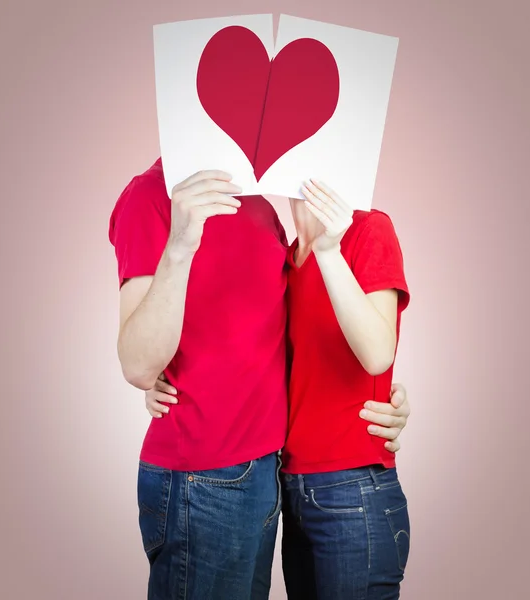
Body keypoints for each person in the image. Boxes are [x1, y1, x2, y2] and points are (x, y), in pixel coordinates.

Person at [110, 158, 410, 600]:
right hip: (233, 480)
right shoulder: (156, 197)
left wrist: (389, 397)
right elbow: (143, 359)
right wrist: (158, 371)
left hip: (302, 482)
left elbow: (361, 353)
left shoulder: (281, 214)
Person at [280, 179, 411, 599]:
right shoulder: (282, 260)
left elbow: (377, 354)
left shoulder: (368, 229)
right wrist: (162, 379)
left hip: (354, 489)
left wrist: (328, 250)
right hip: (290, 488)